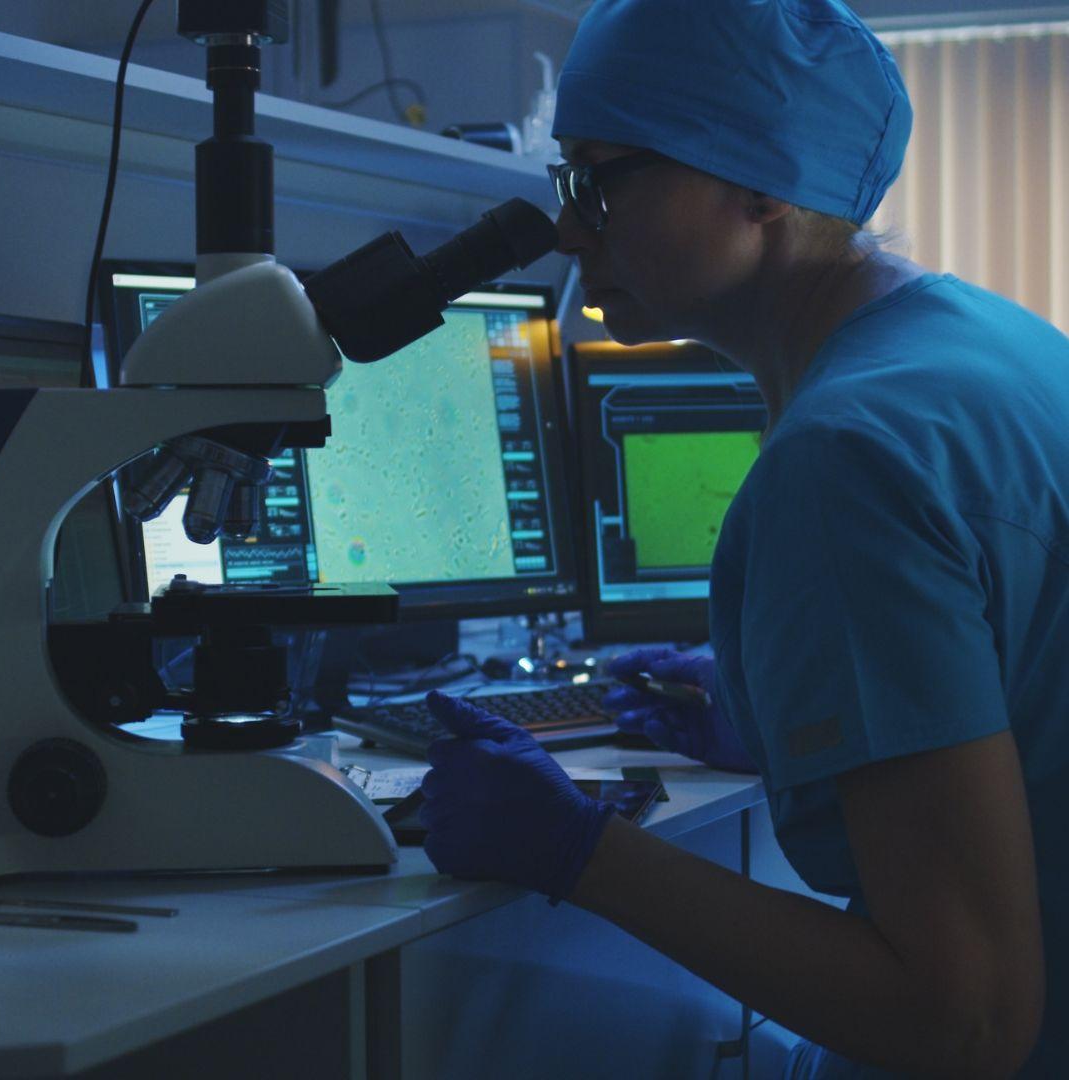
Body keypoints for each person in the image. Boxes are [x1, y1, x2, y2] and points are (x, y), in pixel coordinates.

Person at [418, 1, 1069, 1075]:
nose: (573, 232)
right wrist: (781, 715)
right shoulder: (997, 344)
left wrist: (578, 850)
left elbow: (968, 1022)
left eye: (597, 181)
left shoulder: (845, 459)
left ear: (759, 183)